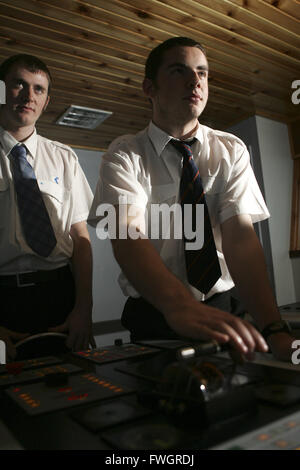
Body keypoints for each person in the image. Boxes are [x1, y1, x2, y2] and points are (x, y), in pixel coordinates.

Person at [89, 37, 293, 362]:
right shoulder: (124, 153)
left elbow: (240, 236)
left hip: (224, 307)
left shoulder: (231, 150)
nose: (195, 81)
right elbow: (126, 234)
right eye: (178, 70)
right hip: (155, 313)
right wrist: (178, 306)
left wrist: (274, 328)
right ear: (149, 88)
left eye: (202, 72)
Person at [0, 54, 96, 360]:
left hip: (60, 295)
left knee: (72, 389)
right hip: (3, 299)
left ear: (46, 100)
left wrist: (84, 308)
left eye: (38, 89)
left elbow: (81, 239)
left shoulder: (64, 158)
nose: (29, 96)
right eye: (19, 84)